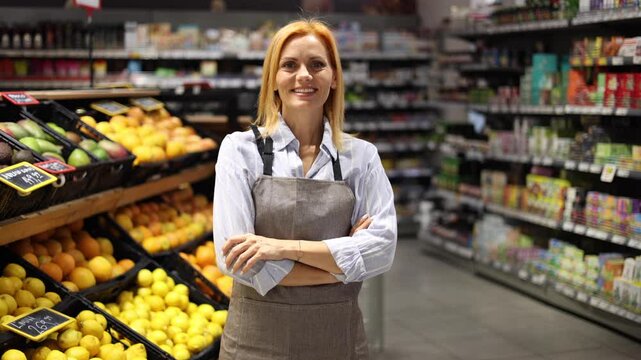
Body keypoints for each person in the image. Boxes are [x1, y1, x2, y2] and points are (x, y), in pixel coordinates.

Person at [214, 18, 397, 360]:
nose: (304, 76)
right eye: (289, 65)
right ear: (273, 79)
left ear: (334, 77)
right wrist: (342, 267)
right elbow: (236, 261)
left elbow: (382, 250)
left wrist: (279, 247)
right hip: (255, 344)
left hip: (337, 342)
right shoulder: (240, 150)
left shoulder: (361, 157)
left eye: (317, 65)